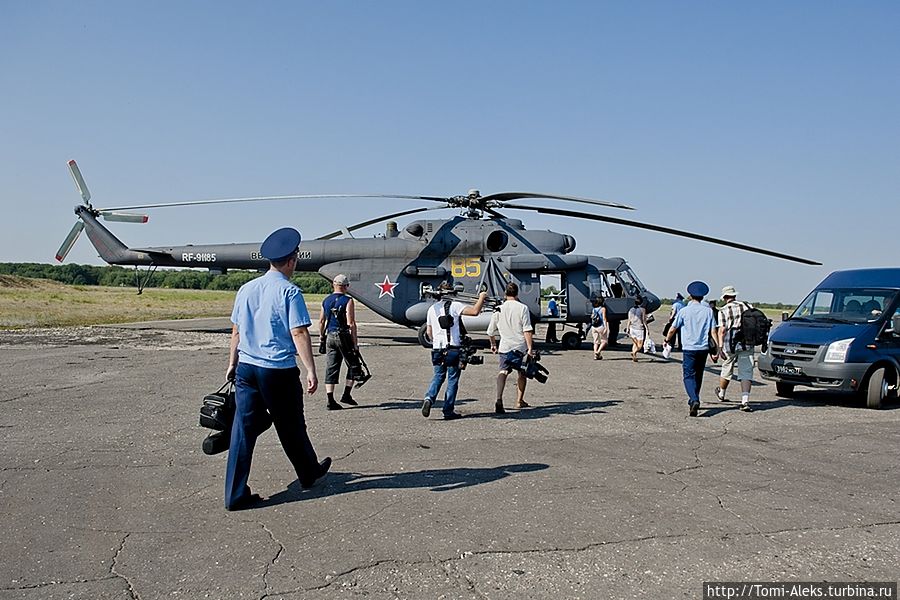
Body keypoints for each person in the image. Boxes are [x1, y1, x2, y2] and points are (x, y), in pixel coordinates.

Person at [224, 227, 330, 510]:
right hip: (277, 370)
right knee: (291, 425)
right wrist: (310, 369)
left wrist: (232, 364)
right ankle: (308, 473)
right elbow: (299, 333)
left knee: (242, 431)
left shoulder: (246, 289)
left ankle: (234, 495)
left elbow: (236, 331)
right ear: (292, 260)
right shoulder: (289, 291)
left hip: (247, 367)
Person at [421, 284, 488, 420]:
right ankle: (448, 410)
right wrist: (482, 297)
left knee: (438, 376)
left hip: (437, 348)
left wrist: (437, 342)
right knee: (452, 379)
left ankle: (429, 398)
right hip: (452, 348)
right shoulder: (455, 306)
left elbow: (429, 332)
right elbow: (475, 311)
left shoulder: (432, 309)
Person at [664, 281, 716, 417]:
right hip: (703, 348)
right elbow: (713, 331)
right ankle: (694, 398)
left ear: (690, 295)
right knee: (698, 375)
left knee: (688, 375)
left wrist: (667, 340)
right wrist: (717, 348)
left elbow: (673, 328)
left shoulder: (684, 311)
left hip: (689, 348)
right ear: (703, 296)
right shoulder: (708, 311)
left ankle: (694, 399)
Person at [488, 282, 536, 413]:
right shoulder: (523, 308)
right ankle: (519, 401)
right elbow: (527, 329)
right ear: (517, 293)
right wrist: (530, 348)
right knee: (522, 373)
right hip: (520, 347)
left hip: (504, 346)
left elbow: (490, 331)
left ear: (505, 293)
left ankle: (499, 398)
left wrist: (493, 344)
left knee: (503, 372)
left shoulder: (498, 308)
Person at [318, 274, 359, 410]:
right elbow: (351, 323)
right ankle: (346, 394)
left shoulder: (326, 300)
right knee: (353, 364)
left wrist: (322, 337)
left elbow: (321, 321)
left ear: (333, 285)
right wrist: (354, 343)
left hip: (330, 334)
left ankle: (330, 399)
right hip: (343, 335)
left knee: (331, 367)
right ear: (346, 287)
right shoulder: (348, 300)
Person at [714, 285, 755, 412]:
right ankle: (745, 401)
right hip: (747, 342)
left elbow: (721, 330)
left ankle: (722, 393)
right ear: (735, 295)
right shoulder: (748, 306)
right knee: (746, 372)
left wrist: (719, 347)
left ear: (725, 297)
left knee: (726, 369)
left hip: (729, 344)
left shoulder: (723, 310)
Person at [627, 296, 648, 362]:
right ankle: (634, 352)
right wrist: (647, 329)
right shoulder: (642, 310)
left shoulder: (631, 310)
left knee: (634, 344)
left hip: (632, 328)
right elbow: (644, 320)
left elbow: (629, 320)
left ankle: (634, 357)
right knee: (640, 345)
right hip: (639, 328)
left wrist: (627, 328)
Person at [590, 296, 609, 360]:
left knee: (595, 342)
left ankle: (595, 355)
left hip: (594, 327)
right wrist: (606, 327)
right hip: (601, 326)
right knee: (604, 341)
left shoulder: (593, 309)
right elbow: (604, 318)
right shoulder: (603, 309)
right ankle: (598, 352)